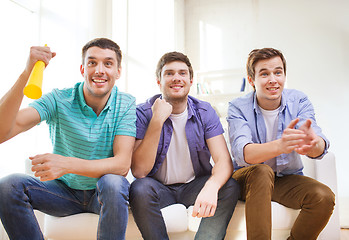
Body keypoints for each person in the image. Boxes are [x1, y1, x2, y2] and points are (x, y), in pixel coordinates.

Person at [0, 38, 136, 240]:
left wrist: (66, 164)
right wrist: (26, 72)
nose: (100, 70)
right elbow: (4, 131)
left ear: (118, 71)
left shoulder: (125, 103)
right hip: (63, 193)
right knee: (7, 186)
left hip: (102, 193)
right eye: (92, 63)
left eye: (108, 63)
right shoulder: (58, 99)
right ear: (82, 69)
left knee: (114, 183)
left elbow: (122, 165)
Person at [129, 51, 240, 240]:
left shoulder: (205, 112)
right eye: (169, 73)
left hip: (194, 187)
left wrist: (211, 186)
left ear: (190, 80)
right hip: (159, 188)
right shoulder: (143, 112)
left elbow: (223, 160)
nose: (176, 78)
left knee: (229, 186)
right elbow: (139, 171)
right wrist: (157, 120)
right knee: (139, 188)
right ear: (159, 81)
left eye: (182, 73)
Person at [227, 47, 335, 240]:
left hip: (286, 179)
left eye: (278, 72)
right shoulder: (237, 107)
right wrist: (280, 145)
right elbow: (244, 154)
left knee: (323, 197)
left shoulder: (298, 100)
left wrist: (312, 144)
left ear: (284, 75)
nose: (273, 79)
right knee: (261, 171)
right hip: (247, 180)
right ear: (251, 80)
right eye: (264, 74)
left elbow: (318, 144)